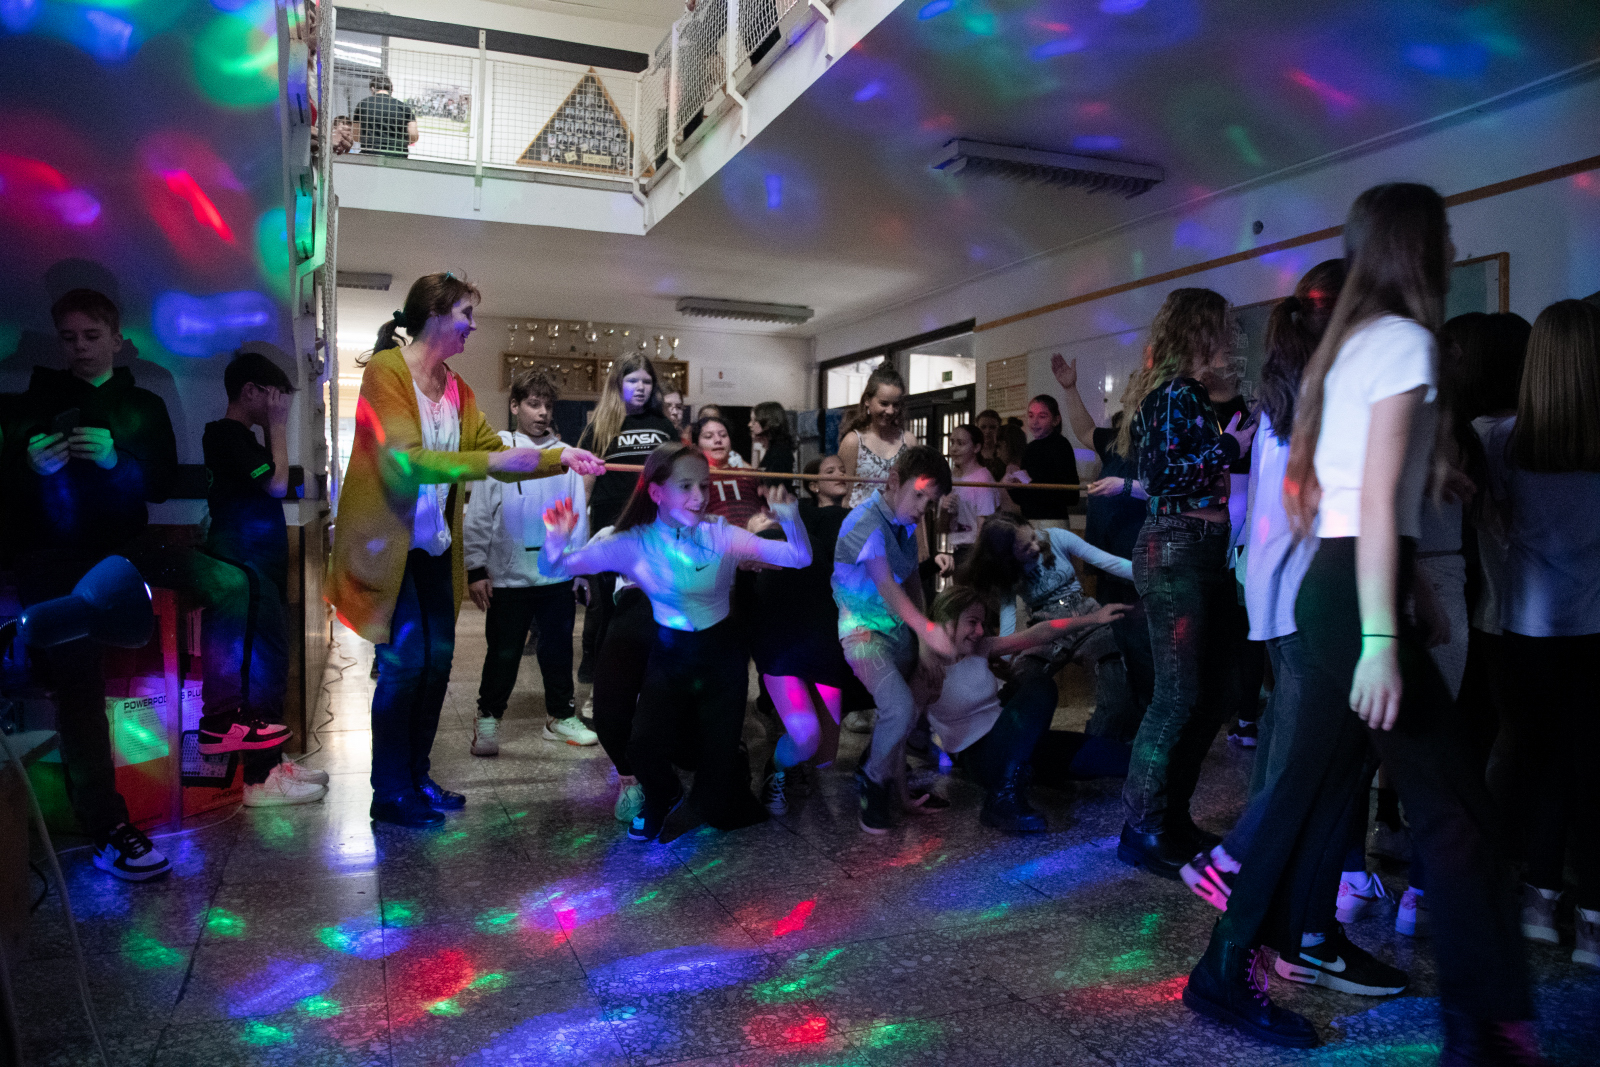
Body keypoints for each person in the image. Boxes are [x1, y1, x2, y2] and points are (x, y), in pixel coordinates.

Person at [1184, 184, 1538, 1062]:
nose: (1453, 245)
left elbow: (1339, 495)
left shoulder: (1348, 347)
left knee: (1312, 788)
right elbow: (1370, 499)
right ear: (1418, 244)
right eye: (1444, 232)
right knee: (1456, 814)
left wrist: (1403, 595)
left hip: (1339, 588)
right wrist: (1383, 635)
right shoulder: (1405, 342)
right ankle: (1487, 1026)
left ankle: (1226, 958)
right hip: (1353, 602)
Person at [326, 272, 604, 829]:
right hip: (391, 553)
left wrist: (561, 458)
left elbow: (494, 452)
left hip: (434, 551)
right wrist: (494, 461)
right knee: (405, 668)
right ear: (433, 314)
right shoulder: (386, 371)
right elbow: (405, 460)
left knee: (436, 667)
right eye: (466, 314)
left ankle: (417, 778)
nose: (473, 326)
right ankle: (390, 791)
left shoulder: (458, 388)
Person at [539, 444, 812, 841]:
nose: (698, 496)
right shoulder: (635, 542)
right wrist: (555, 540)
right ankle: (664, 797)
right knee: (643, 745)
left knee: (718, 759)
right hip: (670, 653)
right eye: (685, 486)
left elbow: (799, 557)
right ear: (655, 492)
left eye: (704, 485)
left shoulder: (720, 534)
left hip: (722, 657)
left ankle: (696, 805)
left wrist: (789, 515)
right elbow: (555, 568)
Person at [9, 289, 183, 880]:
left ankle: (212, 754)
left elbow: (161, 484)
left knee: (231, 585)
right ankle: (106, 825)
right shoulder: (35, 403)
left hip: (122, 554)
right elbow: (8, 486)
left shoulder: (145, 404)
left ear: (116, 338)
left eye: (90, 336)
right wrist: (30, 467)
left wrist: (116, 461)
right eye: (69, 338)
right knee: (78, 677)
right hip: (51, 557)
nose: (79, 348)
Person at [1114, 287, 1258, 879]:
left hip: (1196, 549)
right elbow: (1161, 475)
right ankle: (1143, 827)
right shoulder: (1175, 393)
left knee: (1212, 694)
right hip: (1175, 548)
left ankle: (1170, 817)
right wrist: (1230, 445)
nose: (1232, 337)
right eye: (1224, 326)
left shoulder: (1189, 395)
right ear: (1200, 332)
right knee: (1177, 697)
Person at [1483, 298, 1600, 971]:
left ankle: (1537, 901)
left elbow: (1495, 523)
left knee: (1543, 761)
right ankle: (1592, 924)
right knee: (1594, 768)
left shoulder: (1504, 440)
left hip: (1527, 624)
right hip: (1595, 625)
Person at [202, 347, 328, 807]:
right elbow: (276, 485)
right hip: (244, 564)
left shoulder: (245, 440)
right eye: (277, 395)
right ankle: (259, 779)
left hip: (260, 566)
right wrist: (278, 427)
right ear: (252, 391)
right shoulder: (225, 434)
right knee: (257, 669)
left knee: (269, 666)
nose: (282, 405)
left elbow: (275, 481)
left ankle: (271, 764)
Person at [914, 587, 1129, 833]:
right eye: (972, 622)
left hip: (1018, 742)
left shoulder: (981, 648)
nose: (980, 631)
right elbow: (899, 722)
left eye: (982, 623)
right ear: (948, 619)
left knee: (1123, 759)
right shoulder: (926, 666)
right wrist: (897, 789)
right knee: (1039, 685)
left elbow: (1039, 633)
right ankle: (1003, 798)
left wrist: (1093, 618)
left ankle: (1012, 784)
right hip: (979, 756)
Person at [464, 369, 596, 756]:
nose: (542, 413)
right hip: (507, 576)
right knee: (502, 653)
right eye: (533, 404)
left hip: (555, 576)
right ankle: (488, 718)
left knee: (558, 652)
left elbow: (577, 517)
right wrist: (475, 567)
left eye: (547, 405)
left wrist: (579, 568)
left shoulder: (565, 455)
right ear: (514, 406)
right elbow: (479, 513)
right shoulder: (500, 451)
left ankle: (560, 716)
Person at [832, 445, 955, 834]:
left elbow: (912, 582)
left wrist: (924, 644)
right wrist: (928, 632)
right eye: (918, 495)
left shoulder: (905, 523)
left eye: (930, 502)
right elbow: (887, 587)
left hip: (898, 631)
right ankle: (874, 781)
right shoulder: (865, 522)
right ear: (893, 481)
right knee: (900, 709)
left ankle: (896, 788)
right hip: (864, 634)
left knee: (917, 699)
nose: (922, 509)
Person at [955, 512, 1136, 736]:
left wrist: (1149, 574)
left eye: (1033, 537)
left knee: (1116, 691)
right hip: (1046, 625)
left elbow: (1106, 561)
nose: (1035, 546)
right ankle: (992, 741)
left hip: (1086, 614)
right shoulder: (1007, 570)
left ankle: (1094, 745)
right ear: (1008, 556)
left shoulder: (1056, 537)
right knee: (1019, 686)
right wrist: (1004, 656)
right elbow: (1008, 613)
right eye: (1025, 548)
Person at [750, 454, 855, 814]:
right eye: (830, 471)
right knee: (808, 739)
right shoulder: (756, 538)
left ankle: (792, 757)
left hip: (824, 640)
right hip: (782, 644)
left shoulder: (824, 532)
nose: (767, 510)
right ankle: (776, 767)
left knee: (824, 756)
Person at [574, 354, 676, 684]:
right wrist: (578, 541)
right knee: (611, 611)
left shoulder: (664, 427)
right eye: (633, 380)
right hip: (613, 528)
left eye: (647, 381)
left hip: (656, 529)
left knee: (653, 607)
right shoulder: (600, 427)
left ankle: (649, 686)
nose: (641, 387)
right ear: (618, 384)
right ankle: (605, 689)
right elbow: (584, 488)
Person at [839, 365, 916, 508]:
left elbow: (914, 493)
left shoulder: (908, 440)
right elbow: (844, 497)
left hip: (897, 520)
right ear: (867, 400)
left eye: (896, 405)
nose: (890, 411)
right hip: (862, 520)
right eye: (884, 404)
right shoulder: (853, 441)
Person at [1012, 394, 1081, 528]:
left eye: (1042, 416)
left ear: (1056, 420)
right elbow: (1022, 499)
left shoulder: (1061, 446)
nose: (1034, 422)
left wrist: (1029, 483)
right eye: (1031, 416)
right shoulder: (1029, 448)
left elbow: (1072, 496)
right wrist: (1012, 486)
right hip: (1030, 521)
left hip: (1053, 522)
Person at [938, 424, 998, 572]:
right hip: (957, 548)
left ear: (976, 448)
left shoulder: (982, 479)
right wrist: (944, 509)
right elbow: (942, 528)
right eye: (952, 442)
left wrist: (976, 559)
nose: (954, 448)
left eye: (961, 443)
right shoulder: (950, 479)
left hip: (976, 551)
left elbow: (984, 525)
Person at [695, 414, 765, 529]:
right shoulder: (695, 479)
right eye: (708, 436)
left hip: (756, 536)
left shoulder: (747, 474)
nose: (718, 440)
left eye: (723, 435)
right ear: (696, 446)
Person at [352, 74, 418, 157]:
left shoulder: (363, 104)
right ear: (391, 90)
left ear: (373, 89)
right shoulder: (404, 107)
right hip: (397, 155)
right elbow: (414, 136)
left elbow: (355, 135)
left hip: (370, 154)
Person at [749, 401, 794, 477]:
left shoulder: (779, 453)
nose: (750, 424)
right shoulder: (773, 450)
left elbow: (775, 482)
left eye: (754, 421)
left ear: (767, 424)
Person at [974, 408, 1006, 479]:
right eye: (983, 427)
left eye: (992, 427)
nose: (987, 431)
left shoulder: (1005, 452)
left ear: (999, 429)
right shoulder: (971, 452)